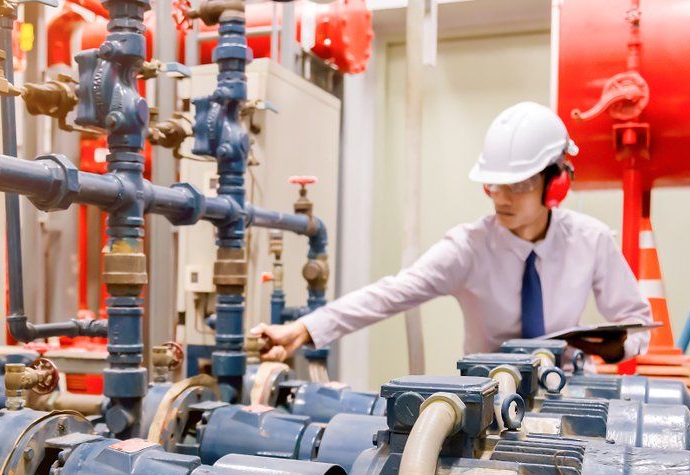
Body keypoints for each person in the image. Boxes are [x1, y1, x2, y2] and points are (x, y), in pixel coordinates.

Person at [252, 101, 652, 365]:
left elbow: (636, 320)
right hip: (489, 397)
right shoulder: (468, 248)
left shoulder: (591, 241)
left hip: (566, 389)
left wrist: (619, 349)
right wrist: (304, 329)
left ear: (555, 184)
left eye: (518, 184)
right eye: (493, 184)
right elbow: (391, 293)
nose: (501, 197)